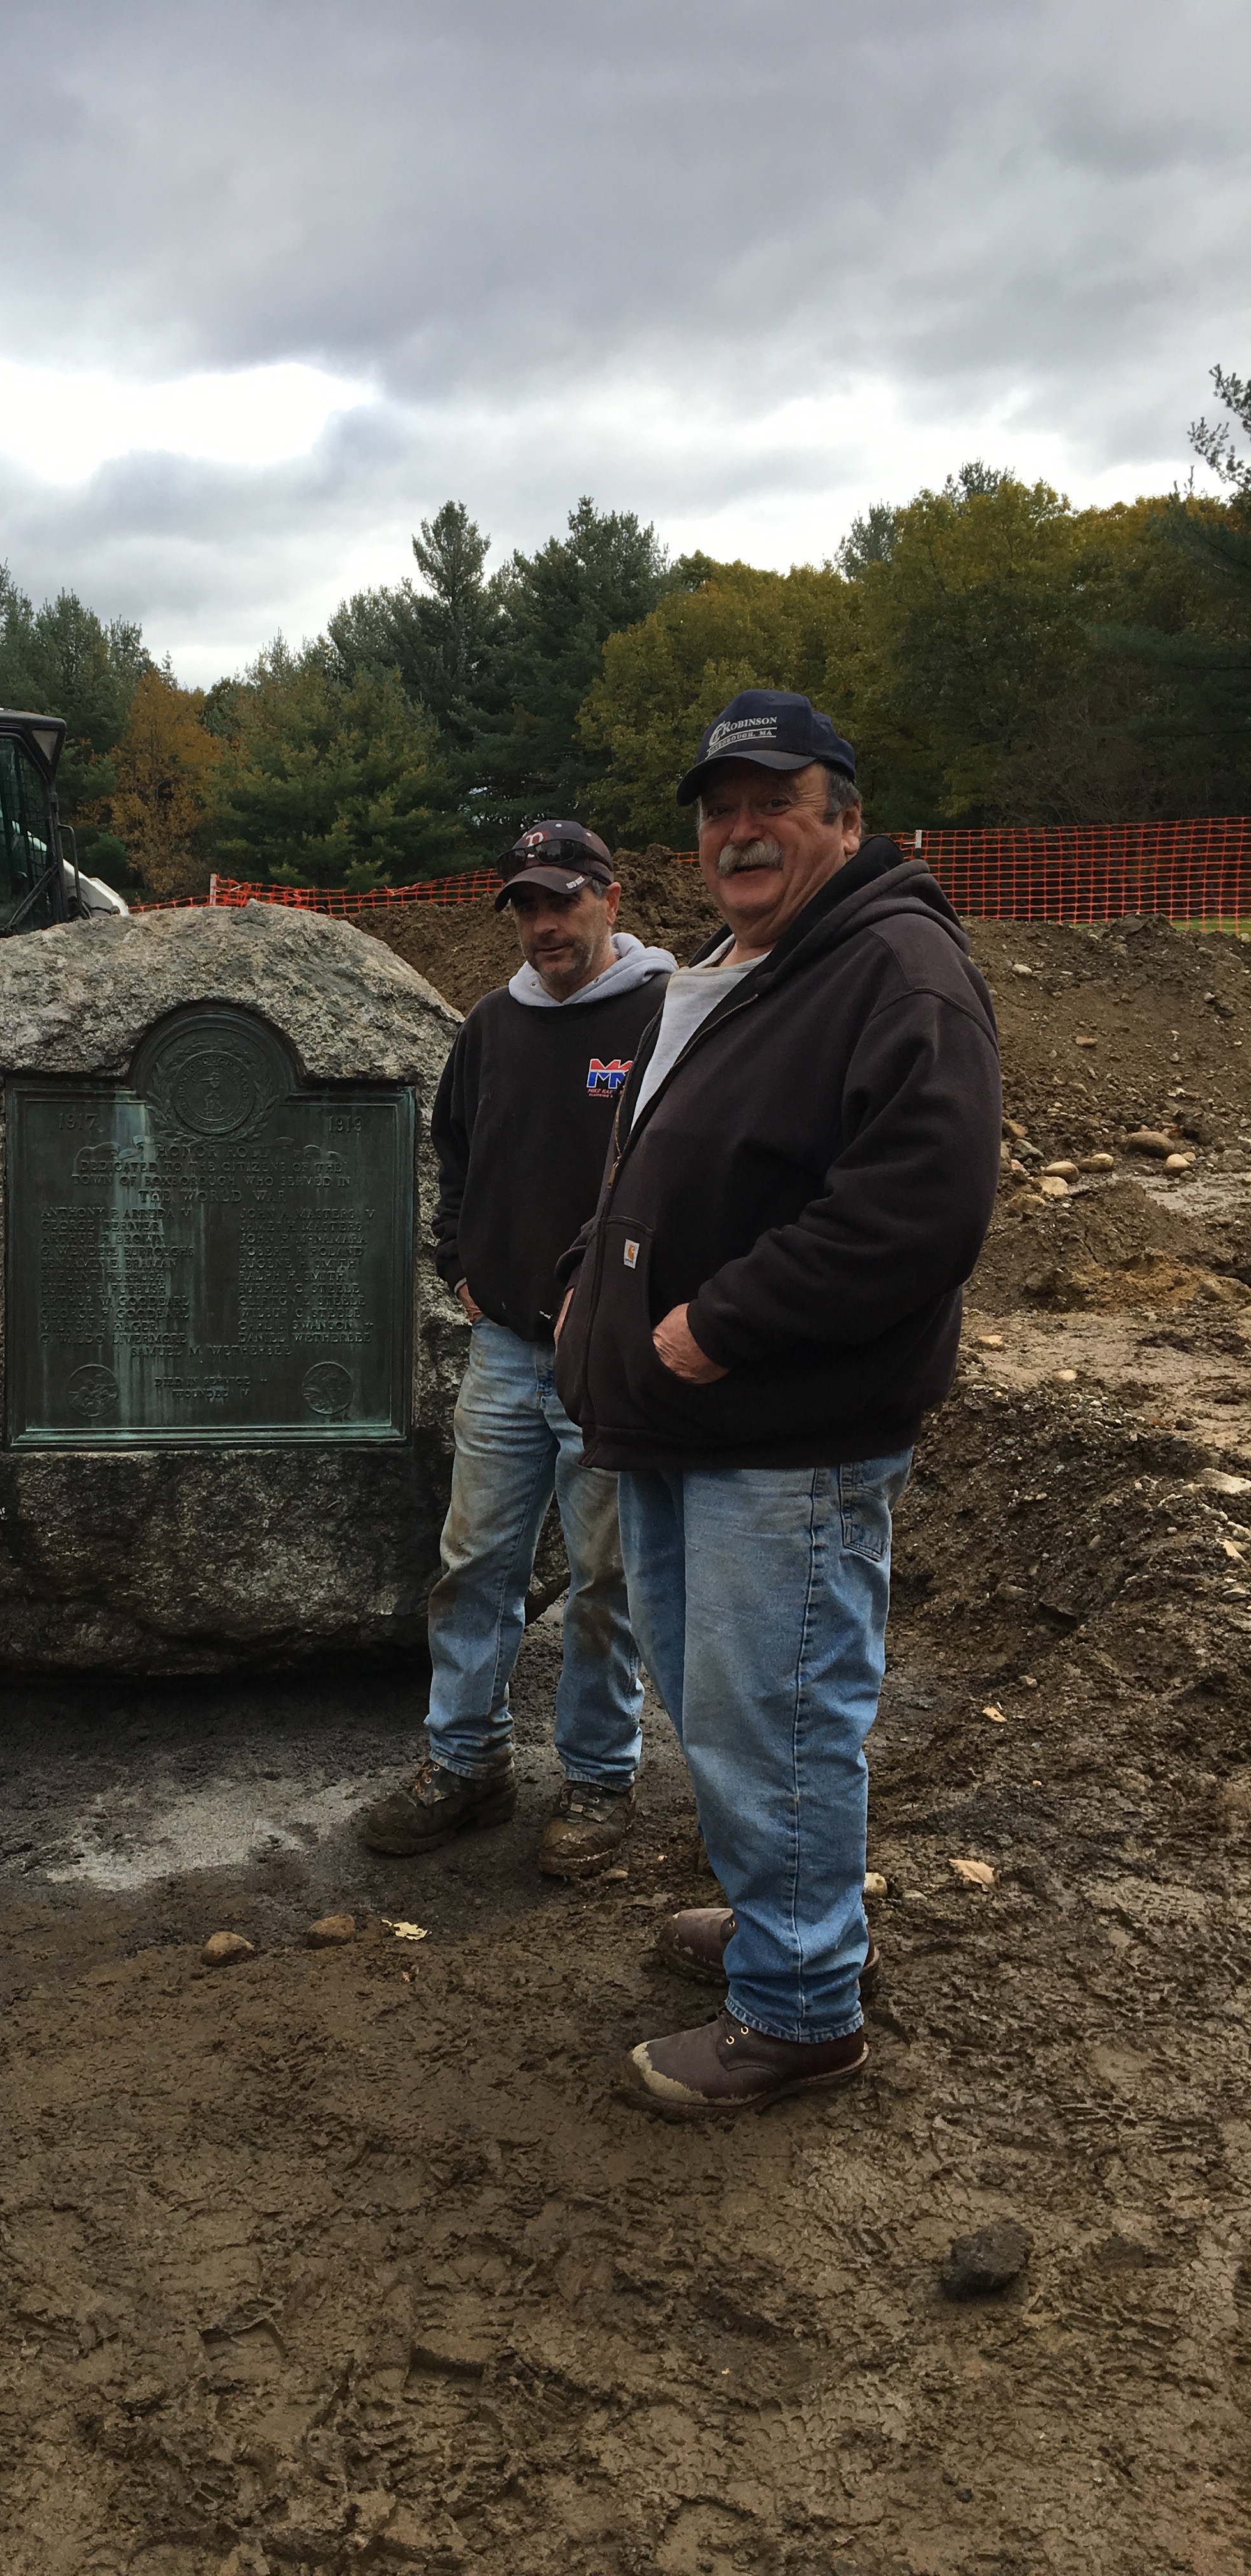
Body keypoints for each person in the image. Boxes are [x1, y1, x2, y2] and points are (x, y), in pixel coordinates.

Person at [553, 690, 1000, 2114]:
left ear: (846, 820)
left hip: (785, 1430)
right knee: (721, 1707)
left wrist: (709, 1328)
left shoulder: (895, 970)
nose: (740, 830)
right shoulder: (748, 965)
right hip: (702, 1425)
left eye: (776, 803)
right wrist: (591, 1285)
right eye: (719, 809)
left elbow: (920, 1208)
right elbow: (665, 1169)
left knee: (780, 1712)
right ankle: (779, 1924)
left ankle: (804, 2007)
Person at [356, 821, 673, 1873]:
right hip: (504, 1349)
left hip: (611, 1363)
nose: (545, 922)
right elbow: (454, 1147)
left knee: (605, 1579)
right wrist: (461, 1262)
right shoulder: (492, 1025)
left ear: (610, 898)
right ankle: (466, 1762)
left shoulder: (666, 1017)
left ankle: (596, 1780)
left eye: (564, 899)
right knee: (474, 1562)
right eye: (527, 905)